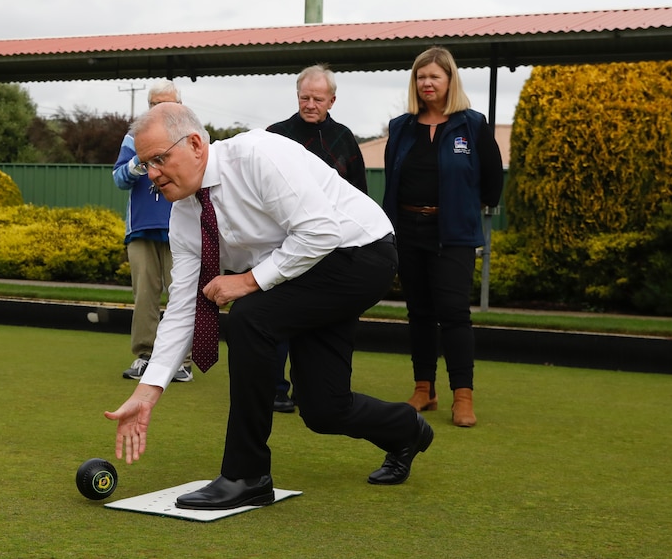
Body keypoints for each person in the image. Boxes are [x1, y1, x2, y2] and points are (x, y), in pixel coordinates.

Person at [104, 102, 433, 511]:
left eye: (159, 159)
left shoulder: (258, 155)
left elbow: (319, 232)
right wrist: (148, 391)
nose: (151, 173)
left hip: (360, 254)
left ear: (194, 144)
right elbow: (184, 303)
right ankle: (407, 429)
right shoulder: (185, 212)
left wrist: (246, 281)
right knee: (323, 409)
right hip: (305, 268)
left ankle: (247, 475)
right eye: (145, 163)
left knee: (249, 319)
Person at [382, 46, 504, 427]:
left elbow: (492, 180)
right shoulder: (401, 127)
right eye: (421, 77)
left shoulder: (472, 124)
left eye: (434, 76)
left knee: (453, 314)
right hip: (408, 230)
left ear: (450, 80)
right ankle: (424, 390)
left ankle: (462, 397)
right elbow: (392, 178)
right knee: (418, 313)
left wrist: (462, 206)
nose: (426, 83)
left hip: (453, 234)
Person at [266, 63, 368, 414]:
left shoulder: (344, 138)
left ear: (332, 100)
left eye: (318, 98)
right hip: (283, 241)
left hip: (333, 245)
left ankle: (310, 388)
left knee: (317, 320)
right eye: (304, 97)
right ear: (297, 96)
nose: (310, 104)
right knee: (278, 315)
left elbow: (360, 195)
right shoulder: (275, 135)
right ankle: (275, 388)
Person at [112, 80, 193, 383]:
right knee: (145, 295)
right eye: (154, 104)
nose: (159, 110)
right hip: (142, 228)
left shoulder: (190, 135)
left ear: (179, 106)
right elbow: (119, 178)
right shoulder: (133, 137)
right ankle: (145, 356)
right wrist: (139, 160)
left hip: (182, 229)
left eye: (166, 104)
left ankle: (181, 362)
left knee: (182, 295)